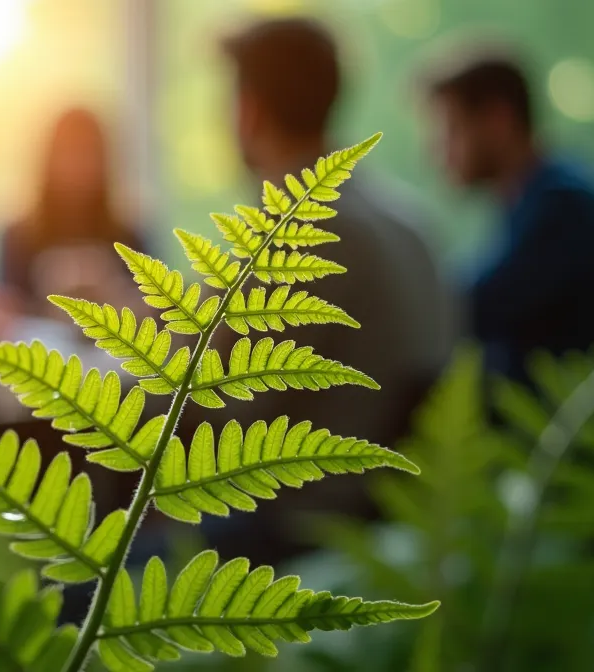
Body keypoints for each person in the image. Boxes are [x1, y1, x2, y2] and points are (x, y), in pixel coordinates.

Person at [183, 17, 456, 565]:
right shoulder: (407, 220)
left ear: (250, 110)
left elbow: (224, 409)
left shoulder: (296, 231)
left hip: (298, 533)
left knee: (71, 592)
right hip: (394, 525)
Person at [424, 54, 594, 381]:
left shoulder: (560, 206)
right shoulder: (539, 197)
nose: (436, 151)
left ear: (498, 120)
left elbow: (467, 310)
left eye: (451, 130)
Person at [0, 108, 143, 313]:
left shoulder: (130, 236)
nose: (78, 164)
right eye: (68, 151)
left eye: (88, 152)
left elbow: (154, 311)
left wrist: (115, 292)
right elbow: (0, 314)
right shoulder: (17, 240)